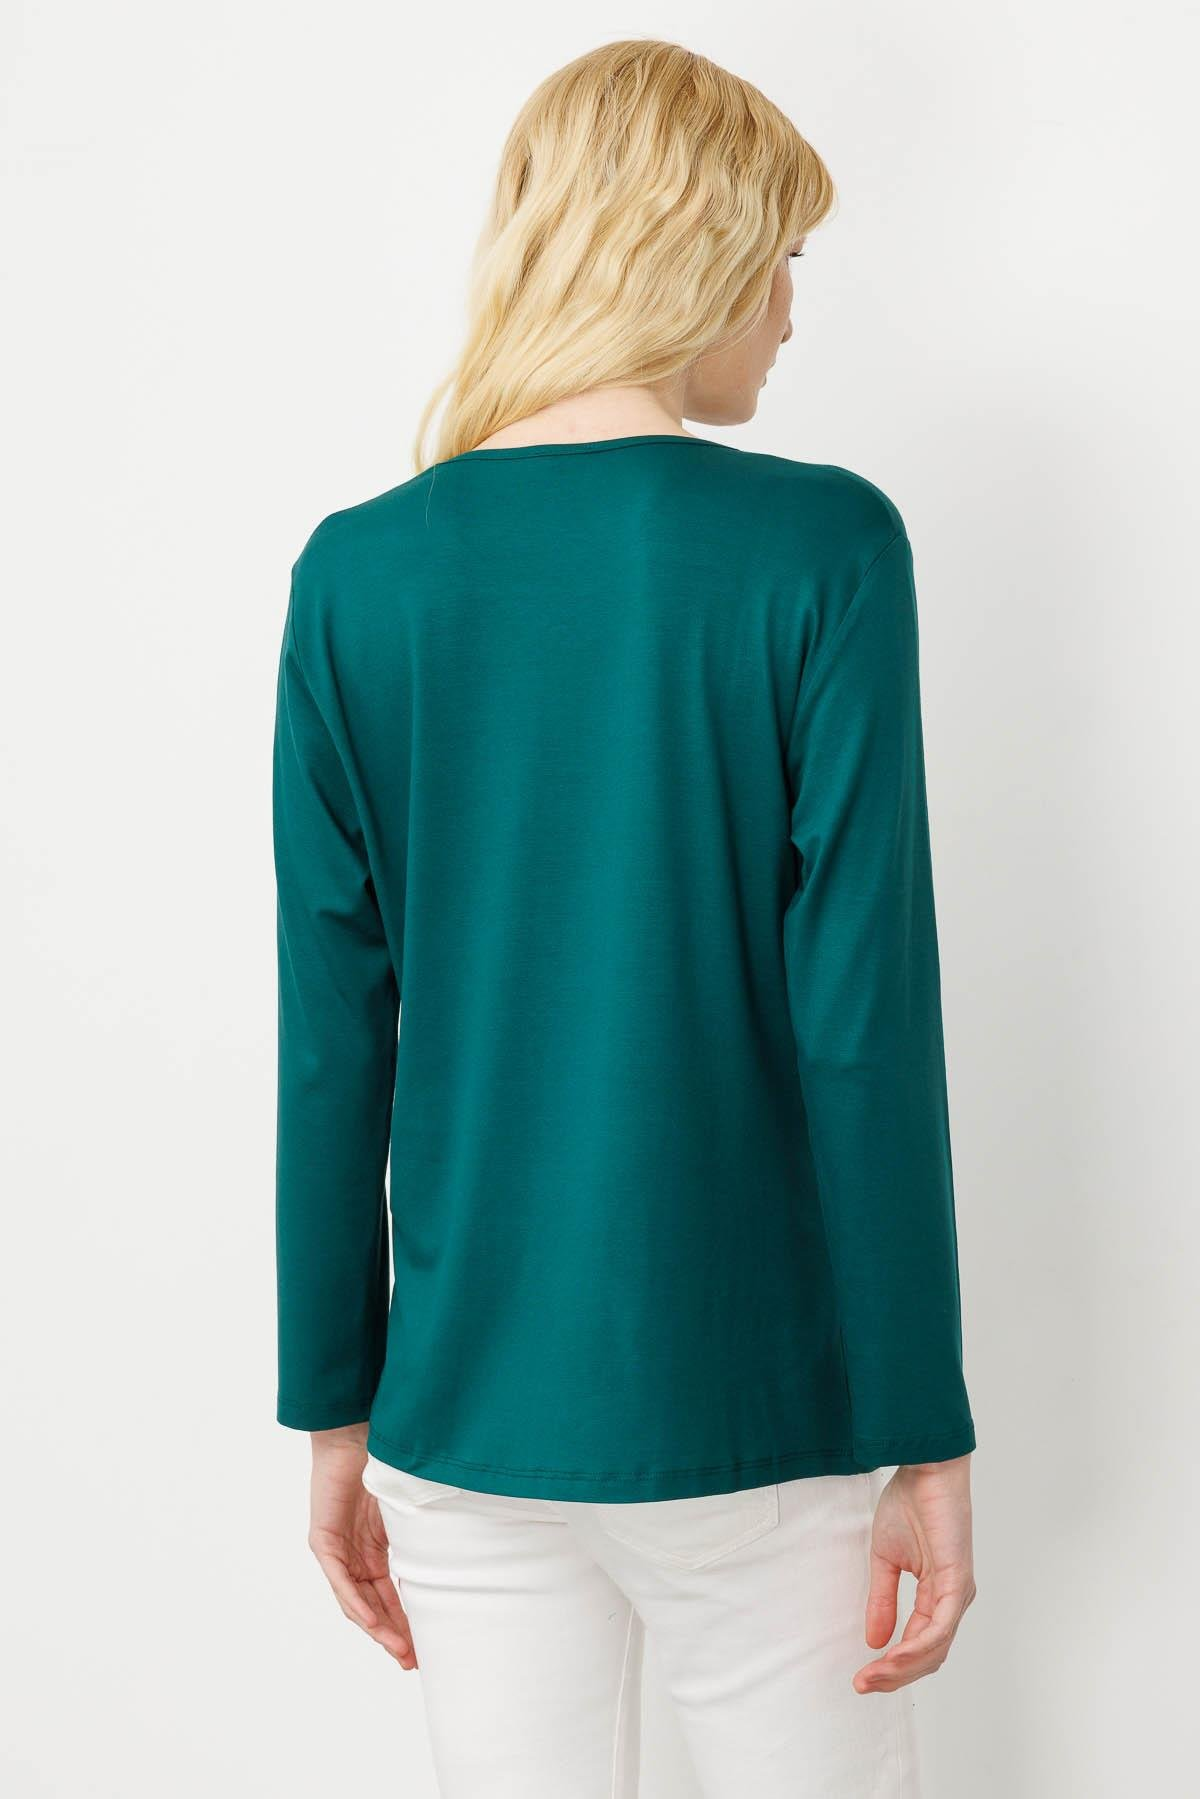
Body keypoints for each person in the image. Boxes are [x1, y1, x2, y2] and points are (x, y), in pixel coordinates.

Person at [272, 36, 977, 1799]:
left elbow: (334, 1034)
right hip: (762, 1408)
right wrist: (924, 1429)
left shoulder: (359, 572)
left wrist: (335, 1406)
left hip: (462, 1415)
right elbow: (865, 1020)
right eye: (784, 258)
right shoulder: (823, 549)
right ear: (695, 246)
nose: (793, 311)